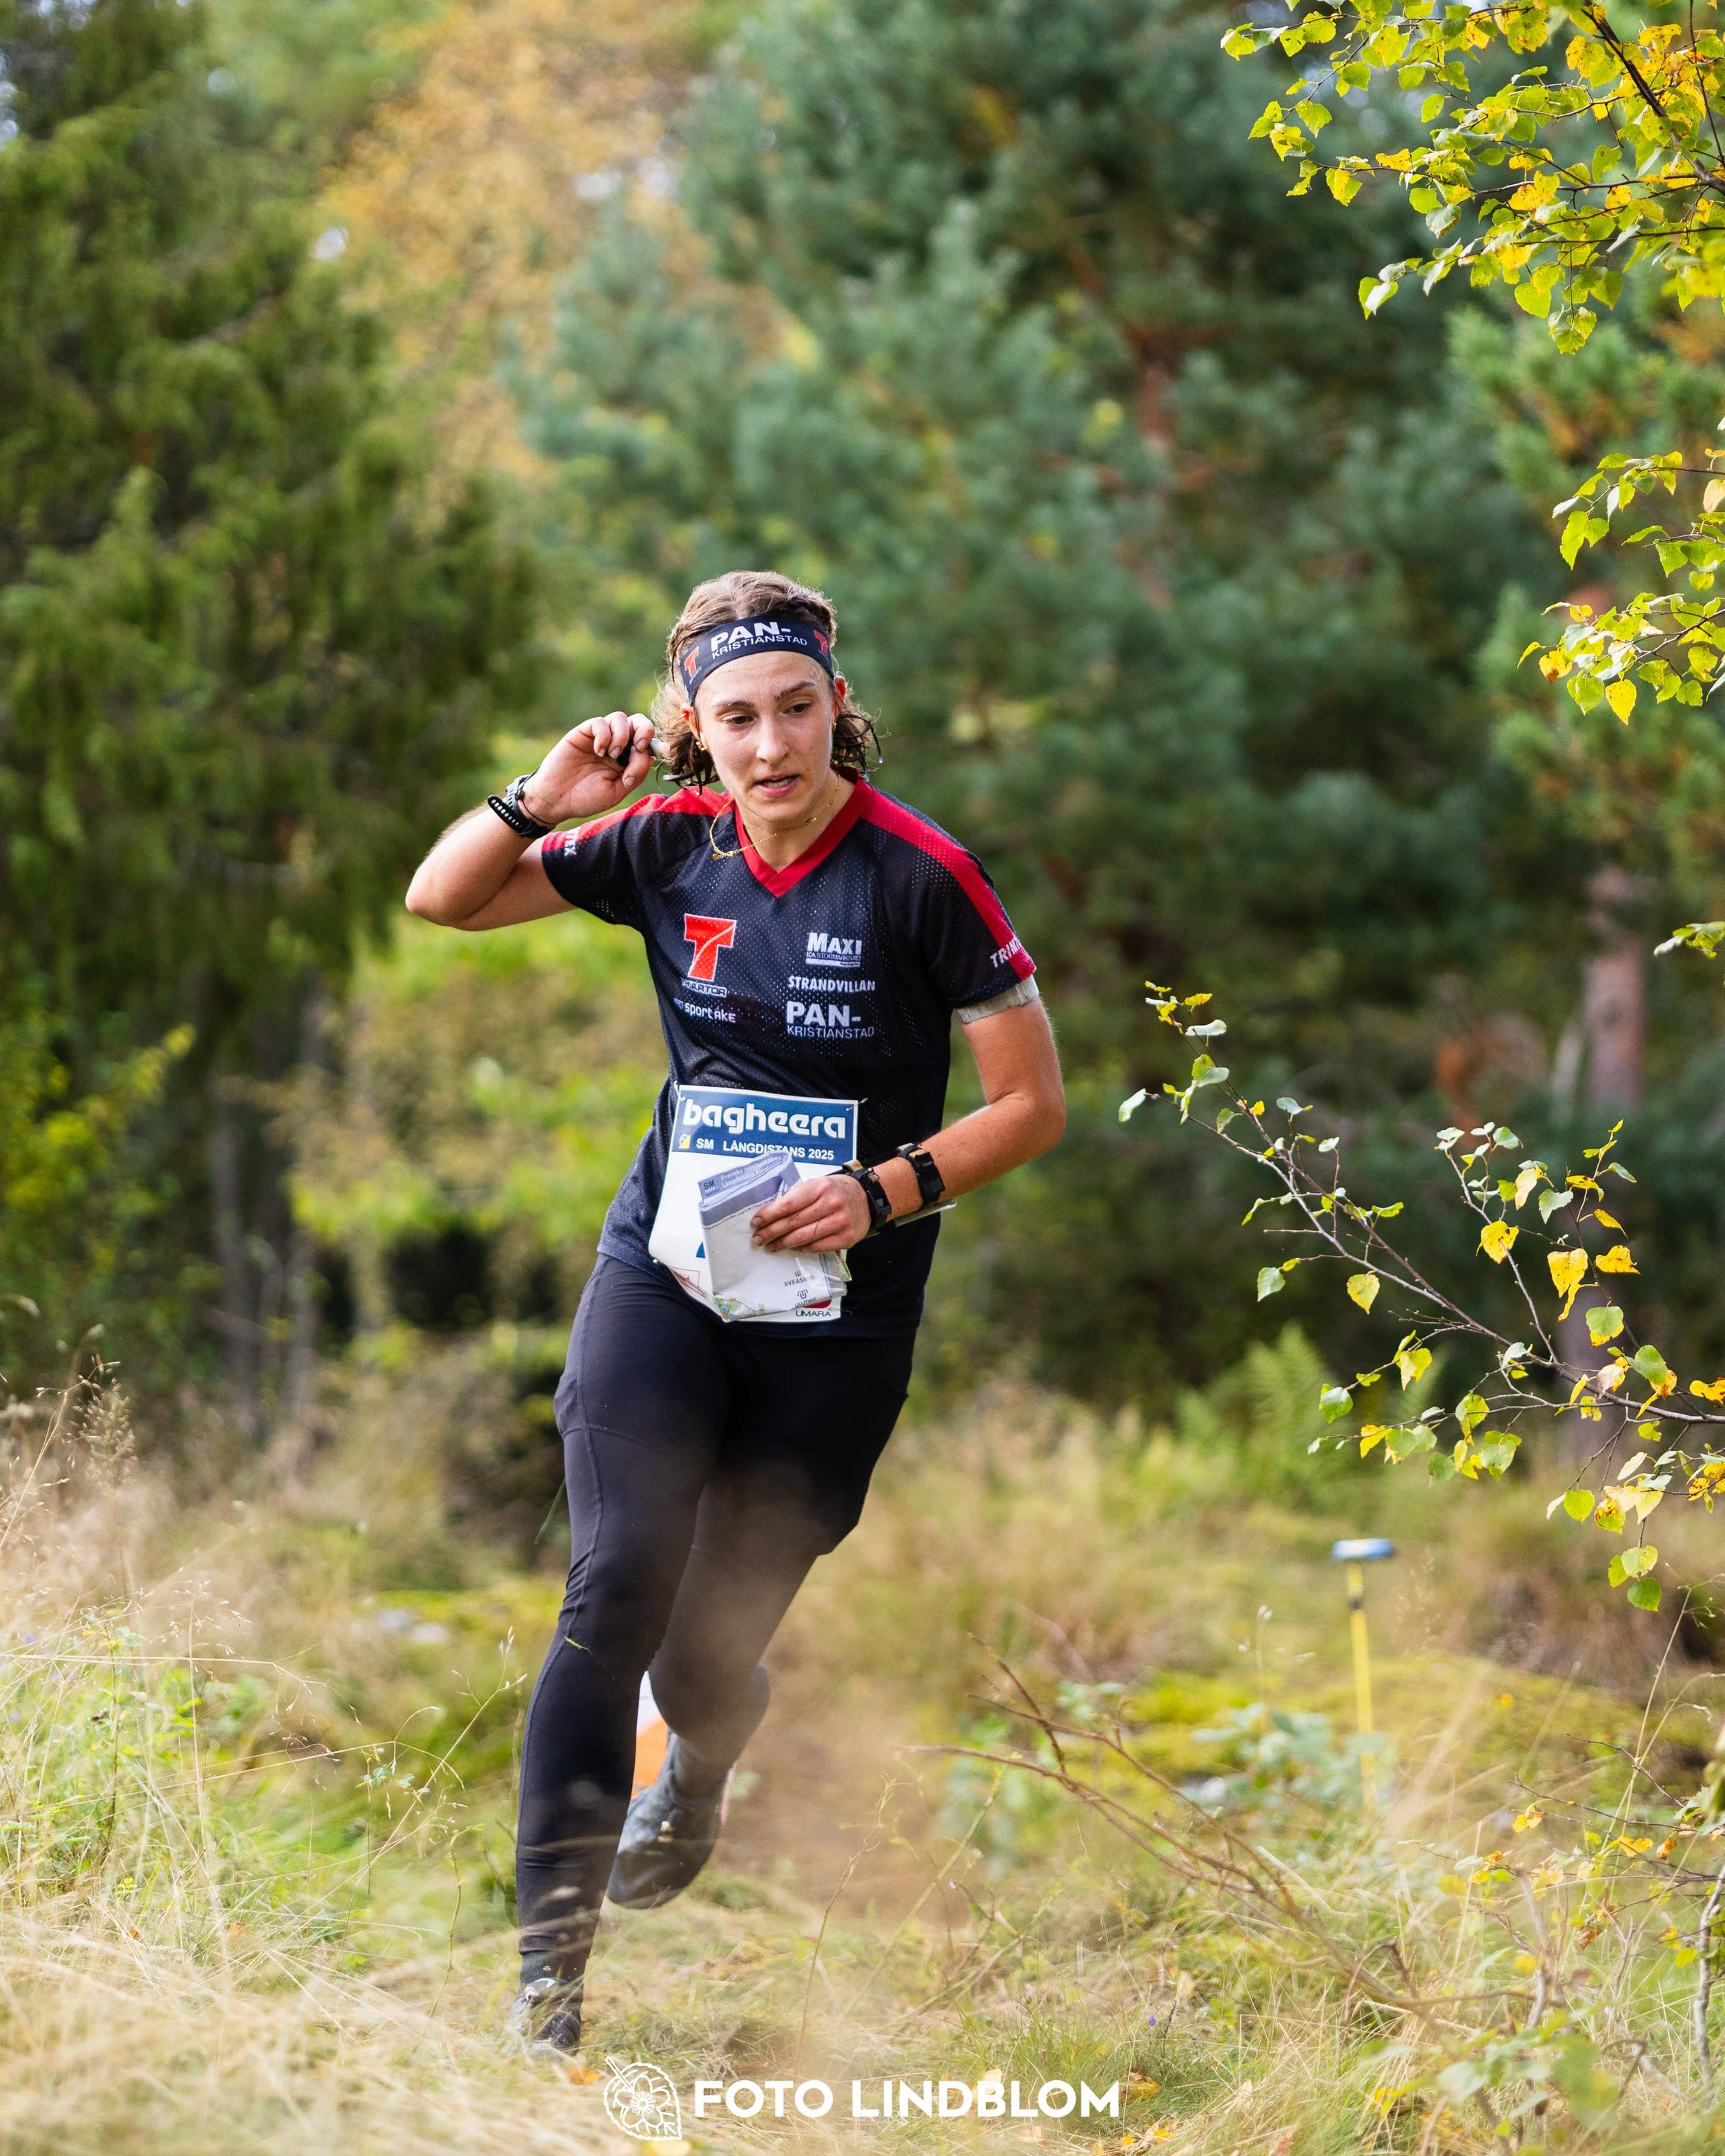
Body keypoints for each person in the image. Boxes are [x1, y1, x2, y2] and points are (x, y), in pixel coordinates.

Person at [404, 570, 1065, 2055]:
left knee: (704, 1655)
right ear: (693, 727)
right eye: (735, 716)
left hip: (836, 1313)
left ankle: (697, 1765)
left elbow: (1031, 1105)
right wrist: (542, 792)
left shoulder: (918, 874)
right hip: (668, 1273)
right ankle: (549, 1978)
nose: (770, 744)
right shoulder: (661, 840)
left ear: (837, 705)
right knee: (613, 1575)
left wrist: (886, 1189)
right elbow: (440, 898)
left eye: (794, 708)